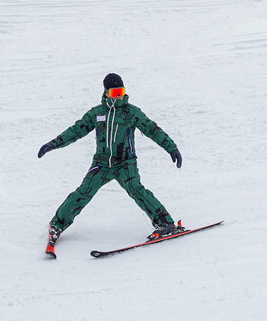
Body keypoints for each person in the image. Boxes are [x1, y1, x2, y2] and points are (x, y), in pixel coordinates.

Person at [38, 73, 183, 256]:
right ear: (106, 92)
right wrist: (53, 144)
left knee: (137, 190)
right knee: (83, 192)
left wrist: (171, 147)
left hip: (125, 163)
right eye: (115, 92)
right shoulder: (97, 113)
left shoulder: (131, 112)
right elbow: (76, 130)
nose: (119, 96)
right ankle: (57, 225)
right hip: (102, 163)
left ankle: (165, 223)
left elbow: (152, 129)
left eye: (121, 91)